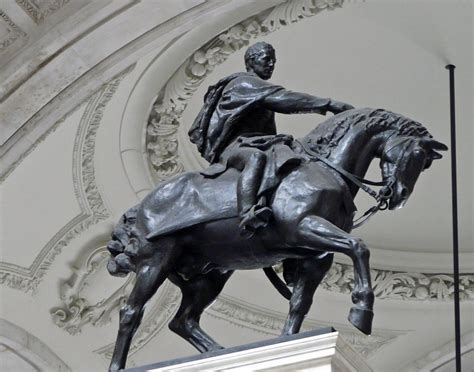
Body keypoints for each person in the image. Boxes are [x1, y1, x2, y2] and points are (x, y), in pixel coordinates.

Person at [189, 42, 354, 236]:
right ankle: (247, 214)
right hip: (235, 148)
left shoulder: (258, 89)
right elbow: (283, 99)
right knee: (256, 158)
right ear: (251, 61)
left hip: (257, 143)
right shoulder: (245, 83)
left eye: (273, 60)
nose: (271, 64)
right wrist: (329, 104)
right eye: (266, 59)